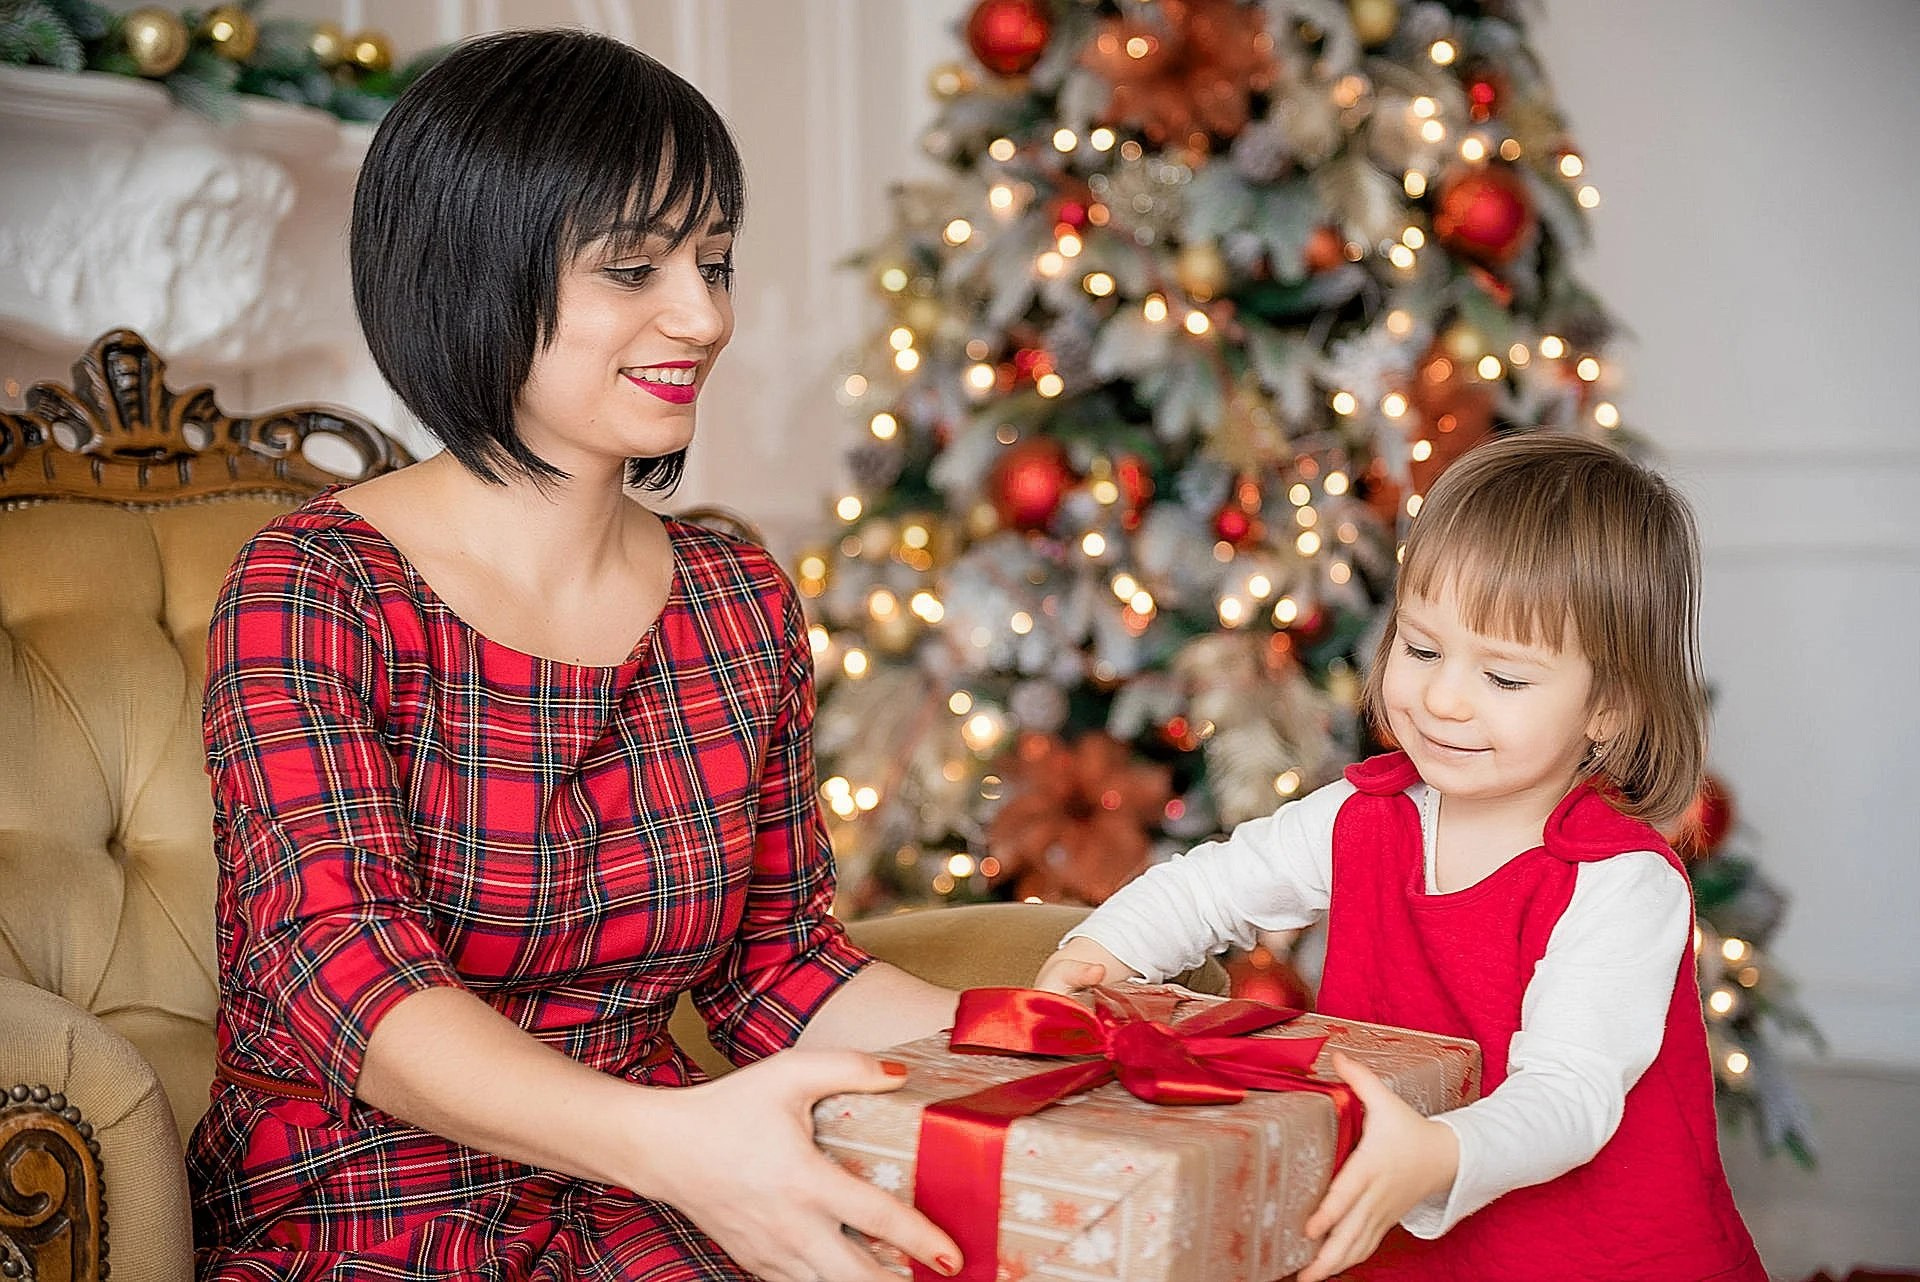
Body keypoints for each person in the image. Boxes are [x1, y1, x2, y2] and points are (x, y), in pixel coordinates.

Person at [188, 28, 964, 1282]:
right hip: (366, 1205)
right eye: (635, 267)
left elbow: (778, 967)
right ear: (473, 273)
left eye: (714, 261)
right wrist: (676, 1146)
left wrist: (1060, 1034)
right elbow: (344, 977)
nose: (704, 315)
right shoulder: (316, 585)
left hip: (645, 1193)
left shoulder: (737, 598)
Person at [1035, 434, 1767, 1282]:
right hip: (1402, 1236)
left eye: (1505, 679)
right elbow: (1209, 888)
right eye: (1422, 650)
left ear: (1607, 707)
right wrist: (1101, 951)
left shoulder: (1619, 881)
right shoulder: (1364, 816)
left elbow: (1569, 1096)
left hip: (1596, 1257)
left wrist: (1438, 1152)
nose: (1443, 698)